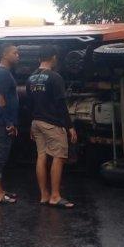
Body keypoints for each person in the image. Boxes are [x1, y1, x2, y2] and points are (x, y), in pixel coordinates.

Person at [26, 45, 78, 209]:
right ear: (54, 58)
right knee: (59, 156)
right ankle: (55, 196)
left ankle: (44, 195)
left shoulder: (30, 78)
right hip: (52, 123)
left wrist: (31, 124)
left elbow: (29, 104)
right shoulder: (55, 77)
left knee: (41, 156)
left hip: (36, 123)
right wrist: (70, 127)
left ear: (39, 58)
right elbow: (61, 105)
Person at [0, 43, 20, 204]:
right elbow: (1, 99)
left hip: (2, 120)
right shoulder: (2, 73)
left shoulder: (4, 72)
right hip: (2, 121)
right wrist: (9, 122)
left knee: (2, 155)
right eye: (15, 53)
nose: (18, 56)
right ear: (5, 55)